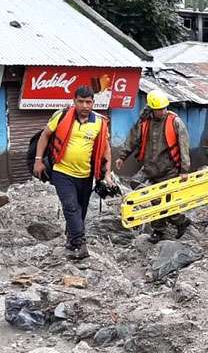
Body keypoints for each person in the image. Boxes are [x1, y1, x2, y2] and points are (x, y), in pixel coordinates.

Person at [33, 87, 113, 260]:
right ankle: (80, 244)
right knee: (70, 207)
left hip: (85, 175)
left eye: (88, 102)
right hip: (61, 171)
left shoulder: (99, 122)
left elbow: (105, 150)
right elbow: (45, 136)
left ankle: (71, 241)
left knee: (80, 211)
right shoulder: (61, 116)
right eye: (81, 101)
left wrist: (107, 174)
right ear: (74, 101)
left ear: (93, 102)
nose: (85, 105)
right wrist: (38, 160)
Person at [116, 90, 192, 243]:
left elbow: (184, 146)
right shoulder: (144, 122)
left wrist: (184, 170)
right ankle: (165, 228)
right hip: (151, 168)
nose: (162, 111)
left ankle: (174, 224)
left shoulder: (175, 122)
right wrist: (122, 156)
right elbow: (133, 139)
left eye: (164, 108)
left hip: (170, 169)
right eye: (159, 109)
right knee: (155, 200)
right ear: (151, 108)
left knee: (165, 201)